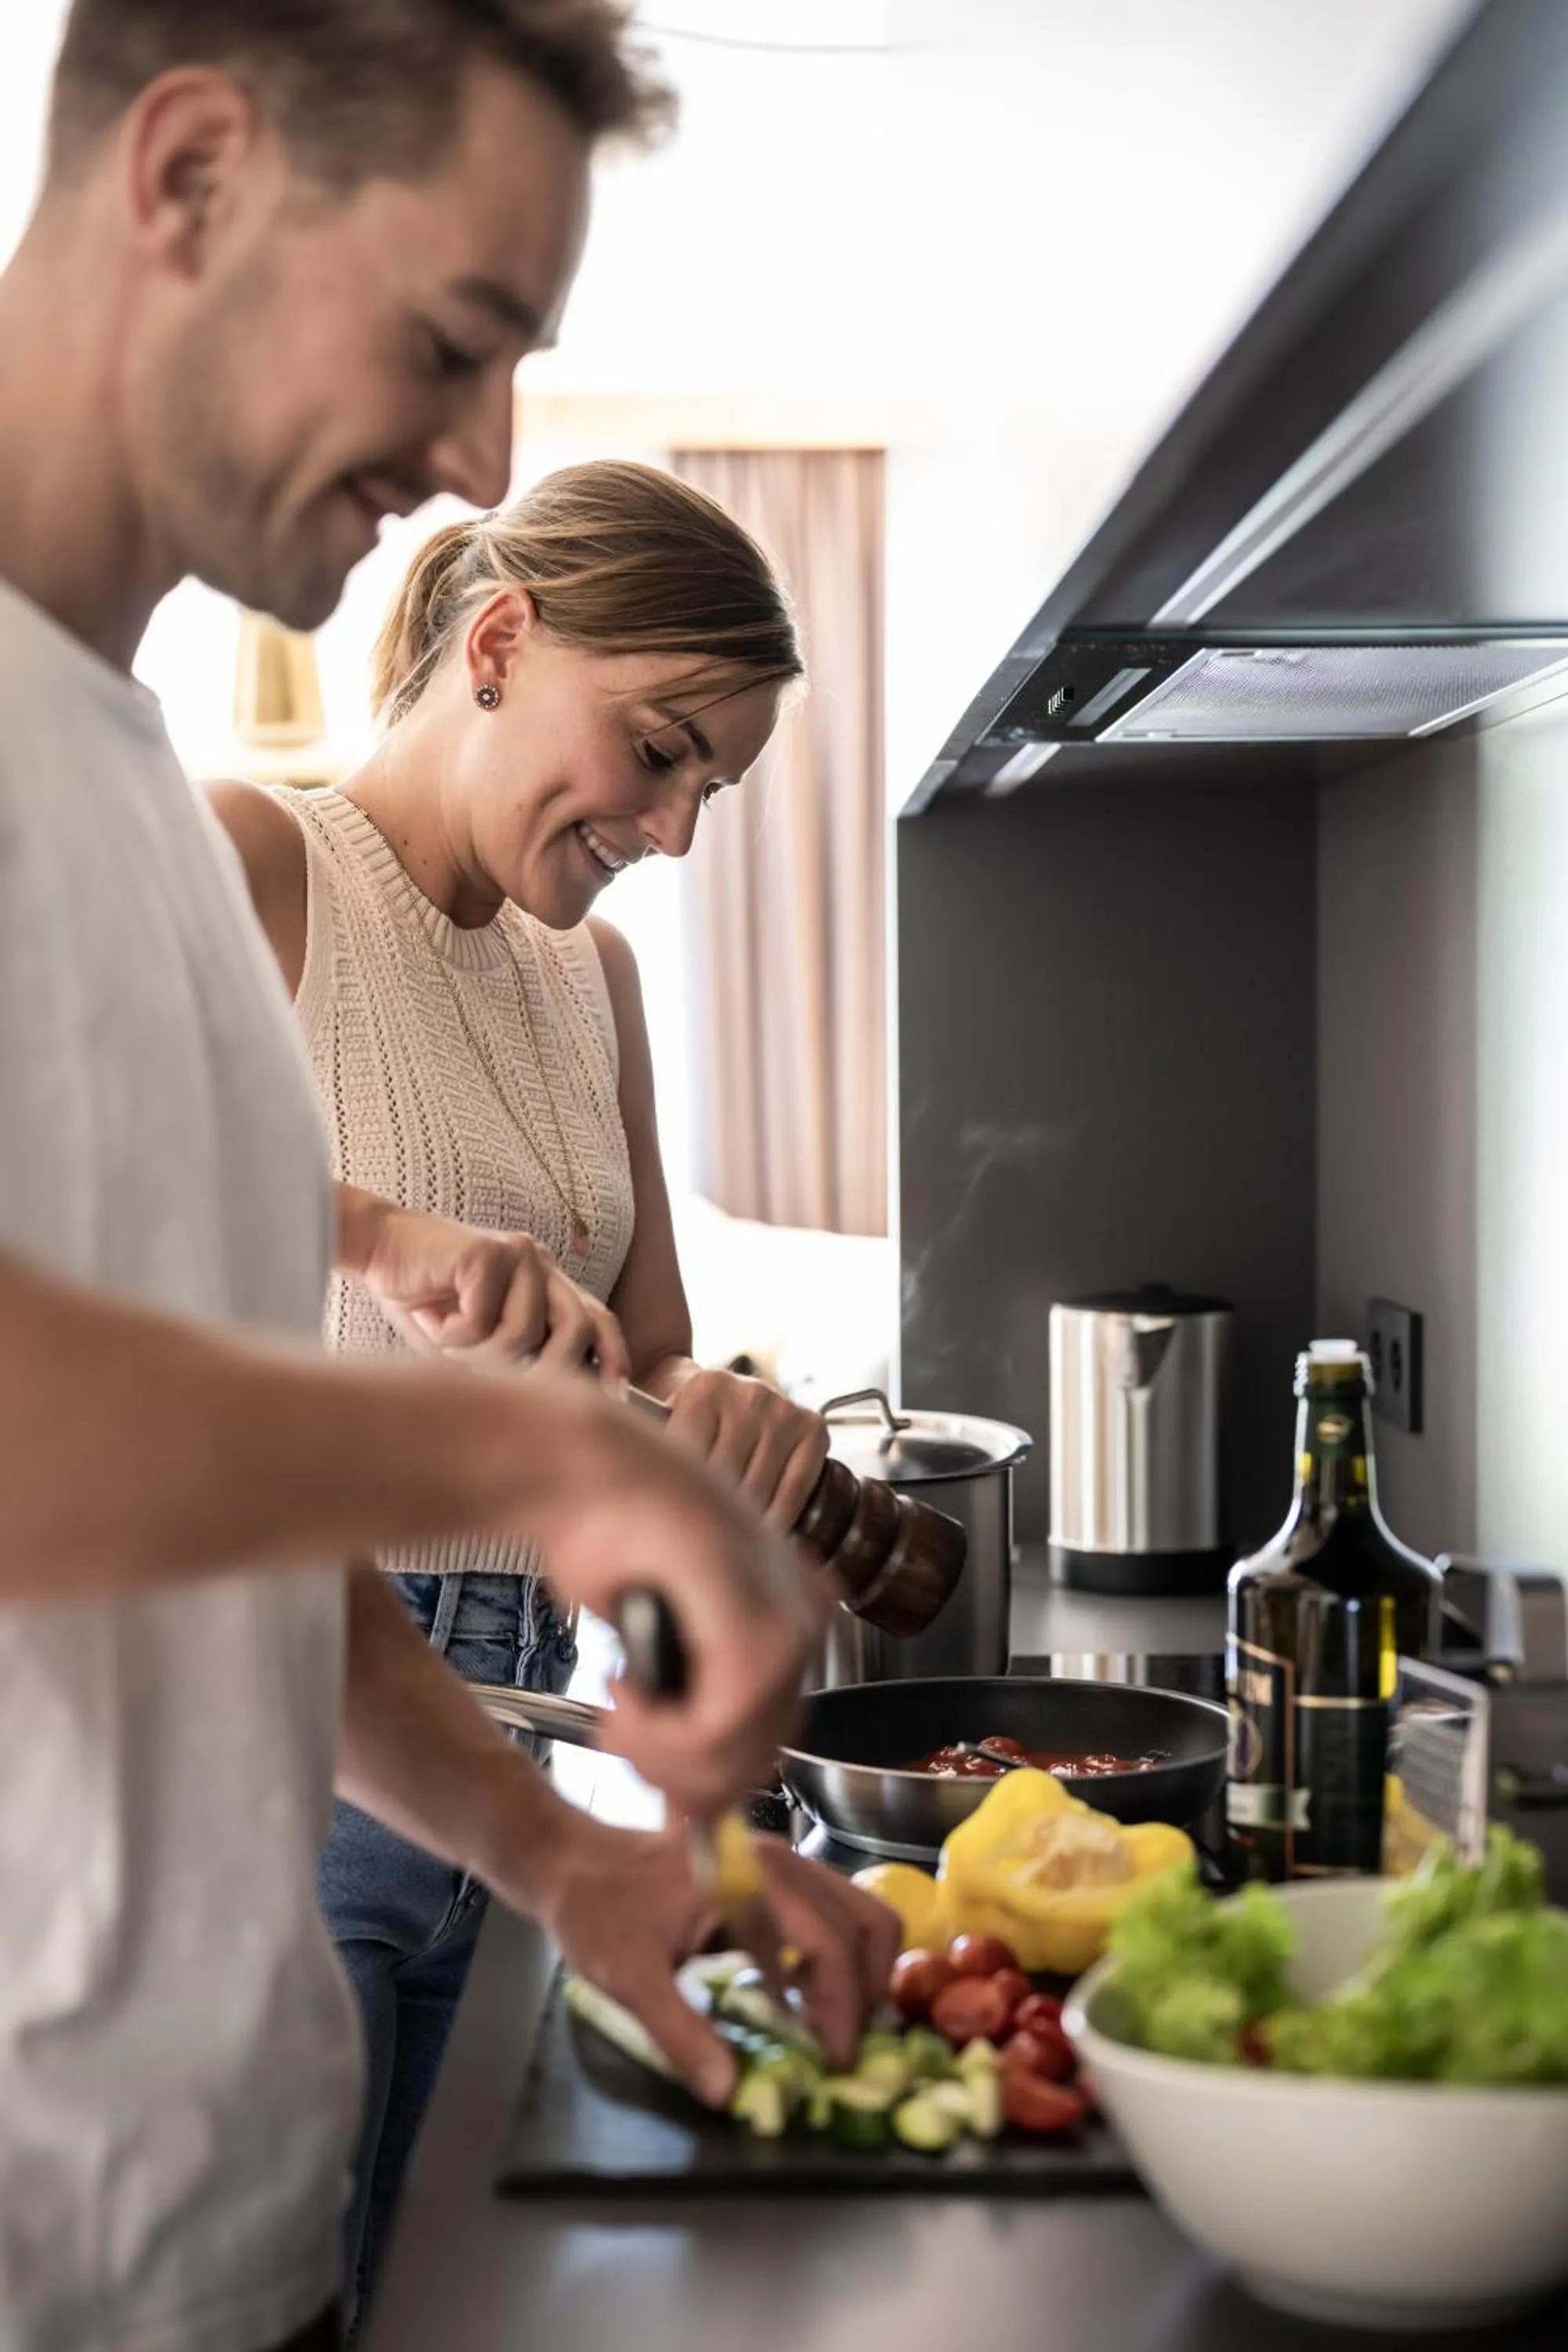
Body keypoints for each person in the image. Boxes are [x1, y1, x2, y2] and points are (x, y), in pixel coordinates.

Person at [0, 8, 895, 2350]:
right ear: (187, 175)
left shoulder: (106, 783)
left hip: (216, 2221)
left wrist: (550, 1856)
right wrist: (503, 1433)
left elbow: (241, 1543)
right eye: (454, 337)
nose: (485, 451)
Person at [209, 459, 834, 2324]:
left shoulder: (598, 979)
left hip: (520, 1734)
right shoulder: (259, 860)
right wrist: (376, 1232)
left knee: (433, 2297)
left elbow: (649, 1349)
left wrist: (724, 1410)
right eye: (659, 751)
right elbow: (80, 1210)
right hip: (298, 1716)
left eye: (711, 782)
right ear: (496, 644)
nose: (676, 825)